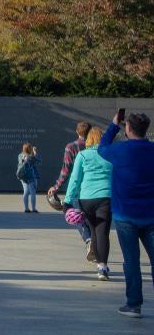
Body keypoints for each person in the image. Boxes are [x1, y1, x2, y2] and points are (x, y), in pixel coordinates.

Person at [97, 109, 154, 318]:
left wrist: (113, 126)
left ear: (127, 128)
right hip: (151, 215)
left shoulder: (120, 151)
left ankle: (134, 304)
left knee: (132, 261)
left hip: (125, 216)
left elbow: (101, 148)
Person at [64, 127, 113, 281]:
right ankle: (103, 267)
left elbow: (75, 180)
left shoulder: (82, 155)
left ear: (88, 140)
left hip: (86, 199)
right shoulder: (109, 155)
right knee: (103, 233)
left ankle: (99, 265)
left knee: (93, 232)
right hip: (106, 197)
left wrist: (67, 201)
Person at [48, 121, 93, 256]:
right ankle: (96, 243)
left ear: (77, 132)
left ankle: (89, 240)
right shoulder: (96, 147)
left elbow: (65, 170)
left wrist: (56, 186)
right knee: (92, 219)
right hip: (92, 188)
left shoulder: (71, 147)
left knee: (76, 215)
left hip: (76, 189)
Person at [17, 143, 41, 213]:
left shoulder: (20, 155)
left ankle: (26, 208)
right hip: (30, 176)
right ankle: (33, 208)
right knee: (33, 192)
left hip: (23, 176)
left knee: (26, 192)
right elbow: (38, 161)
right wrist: (35, 152)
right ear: (30, 149)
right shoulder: (31, 157)